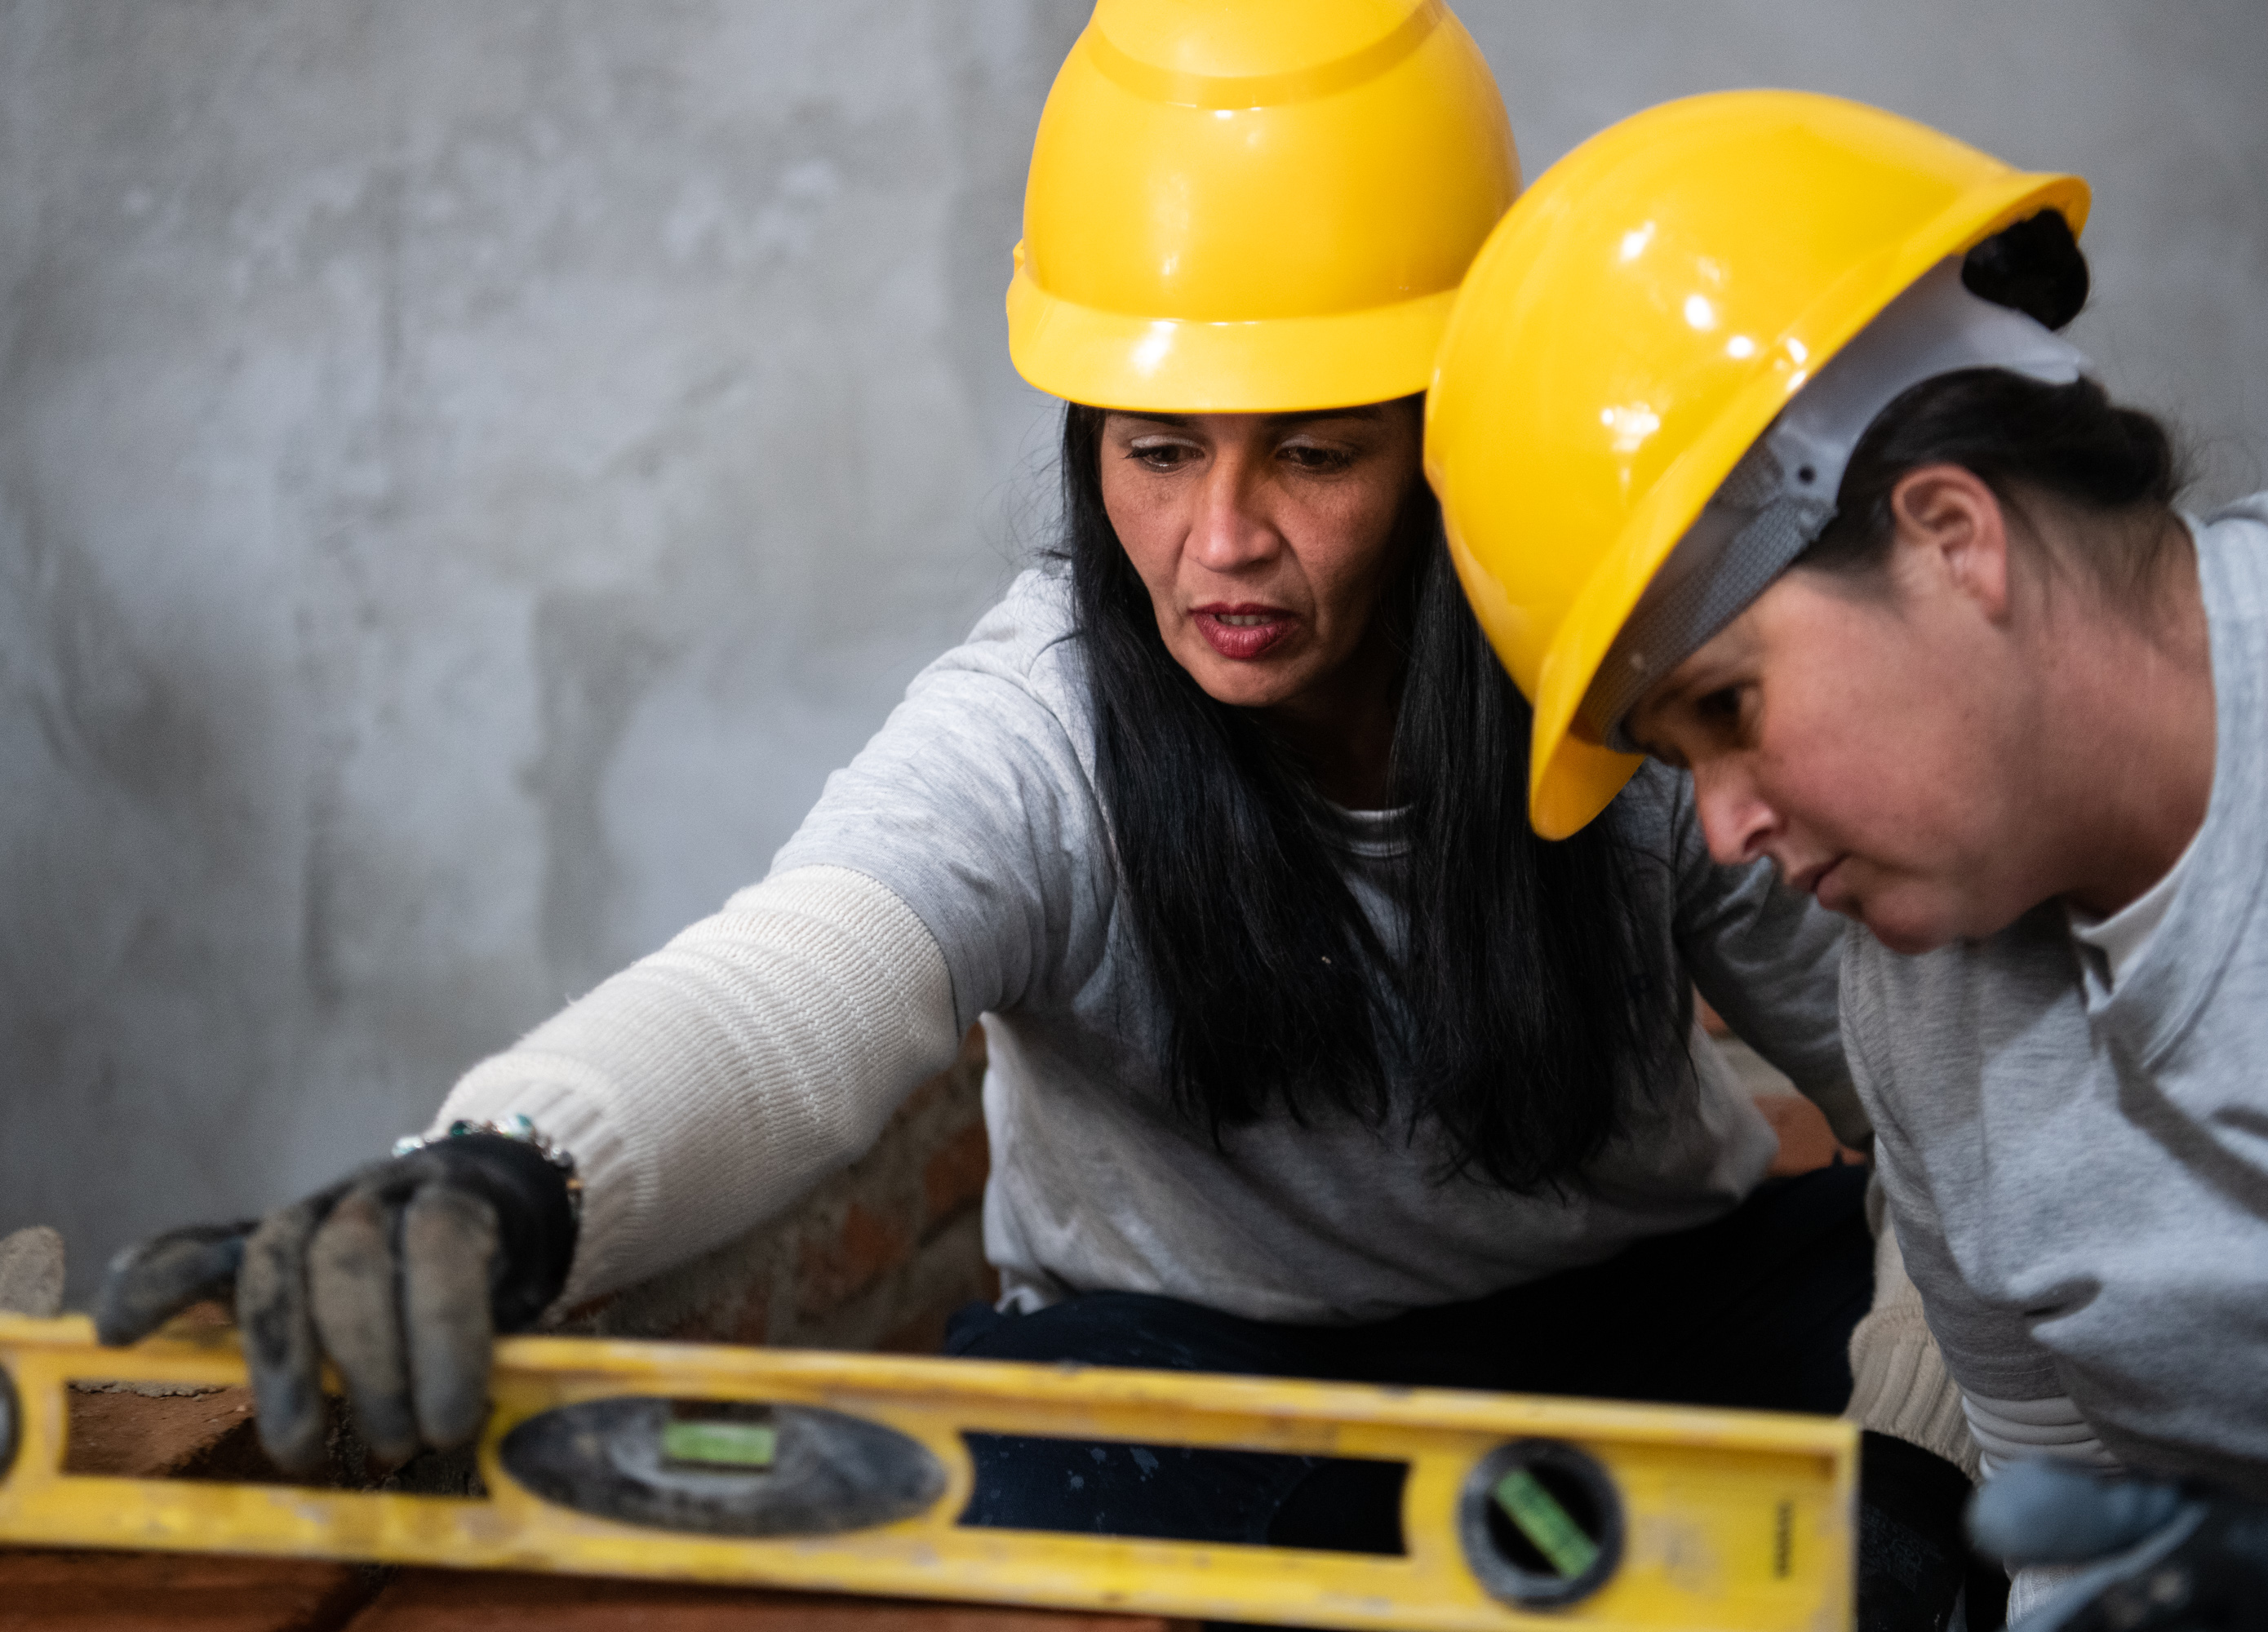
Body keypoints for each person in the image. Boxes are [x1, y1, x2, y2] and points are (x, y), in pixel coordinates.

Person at [93, 11, 1954, 1615]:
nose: (1221, 543)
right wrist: (510, 1168)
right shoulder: (1043, 719)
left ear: (1442, 425)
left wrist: (1923, 1463)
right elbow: (799, 981)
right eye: (1158, 452)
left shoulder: (1618, 666)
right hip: (1191, 1396)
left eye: (1313, 451)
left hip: (1654, 1331)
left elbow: (1946, 1084)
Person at [1425, 89, 2268, 1625]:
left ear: (1952, 533)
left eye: (1731, 708)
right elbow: (2077, 1529)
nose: (1723, 833)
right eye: (1677, 761)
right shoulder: (1920, 1013)